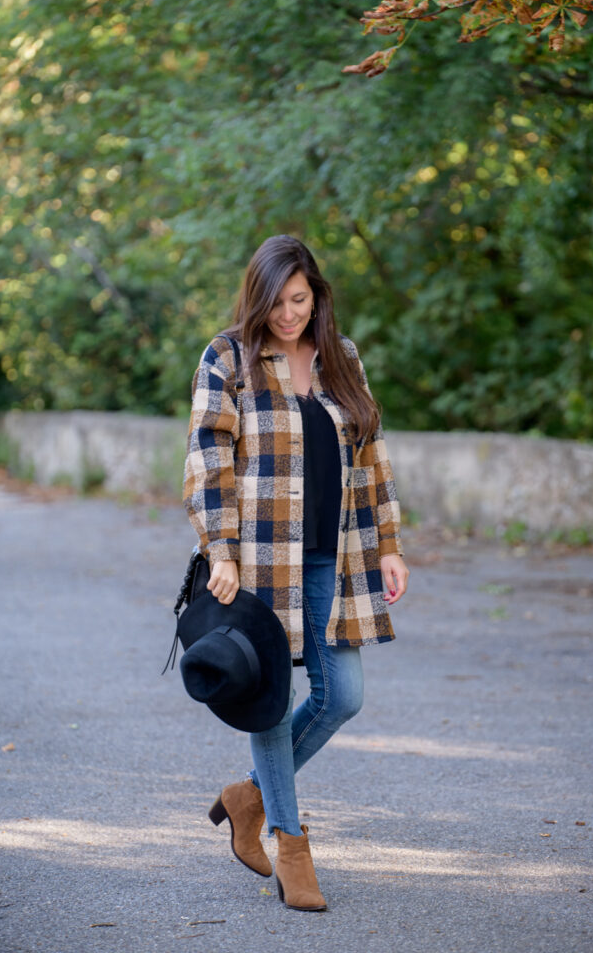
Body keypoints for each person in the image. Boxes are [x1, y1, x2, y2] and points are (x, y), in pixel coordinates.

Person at [182, 234, 408, 912]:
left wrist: (389, 543)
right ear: (258, 297)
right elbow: (206, 457)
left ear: (317, 296)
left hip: (334, 556)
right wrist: (220, 549)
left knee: (343, 695)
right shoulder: (227, 357)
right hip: (260, 562)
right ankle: (290, 843)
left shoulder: (340, 358)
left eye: (300, 300)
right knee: (272, 697)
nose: (288, 314)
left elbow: (370, 454)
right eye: (277, 302)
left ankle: (248, 795)